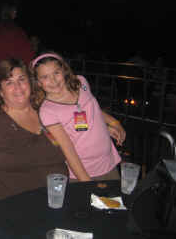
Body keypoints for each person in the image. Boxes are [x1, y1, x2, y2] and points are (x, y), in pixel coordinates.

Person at [0, 58, 68, 208]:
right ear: (0, 91)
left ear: (30, 83)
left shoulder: (46, 112)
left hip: (55, 199)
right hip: (11, 206)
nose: (18, 87)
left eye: (22, 79)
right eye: (9, 82)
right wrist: (7, 203)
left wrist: (108, 123)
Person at [30, 52, 126, 182]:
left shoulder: (81, 82)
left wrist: (113, 122)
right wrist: (85, 181)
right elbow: (68, 150)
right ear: (38, 83)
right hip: (84, 172)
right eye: (45, 77)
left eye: (56, 73)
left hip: (109, 163)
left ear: (64, 71)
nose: (53, 80)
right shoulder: (48, 111)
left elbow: (93, 110)